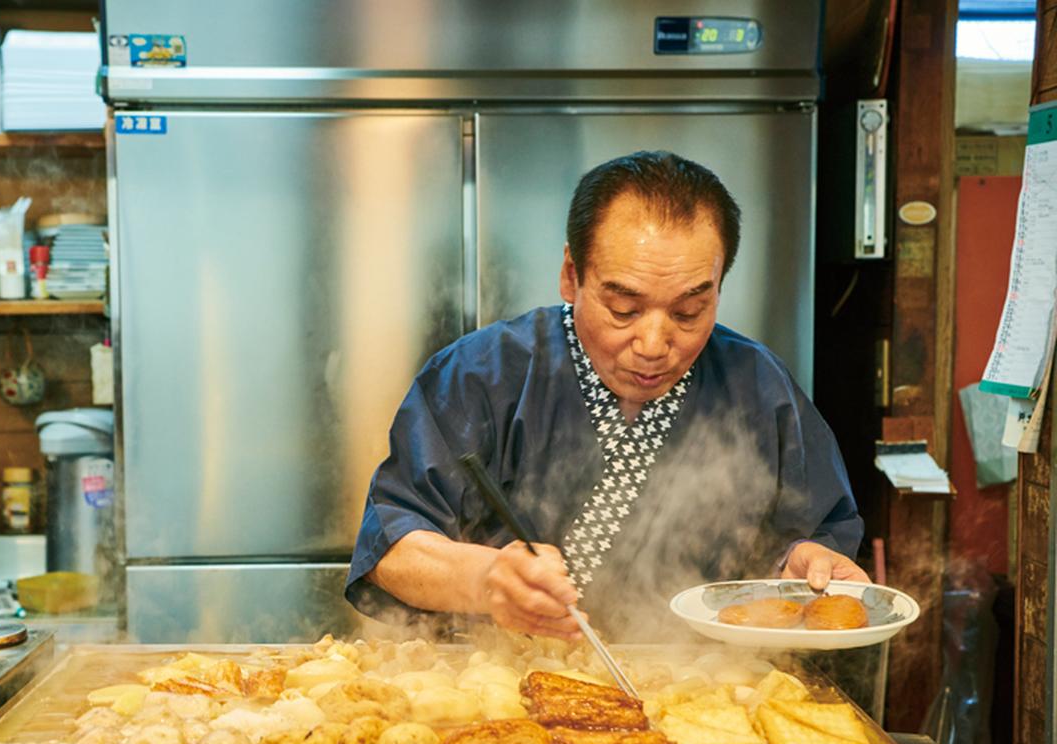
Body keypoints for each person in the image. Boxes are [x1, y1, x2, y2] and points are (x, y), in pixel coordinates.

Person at [346, 151, 868, 640]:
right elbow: (391, 544)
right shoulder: (482, 374)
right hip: (497, 689)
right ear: (572, 276)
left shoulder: (758, 385)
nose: (654, 344)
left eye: (688, 313)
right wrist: (486, 577)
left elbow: (818, 532)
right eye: (624, 309)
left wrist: (804, 564)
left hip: (701, 687)